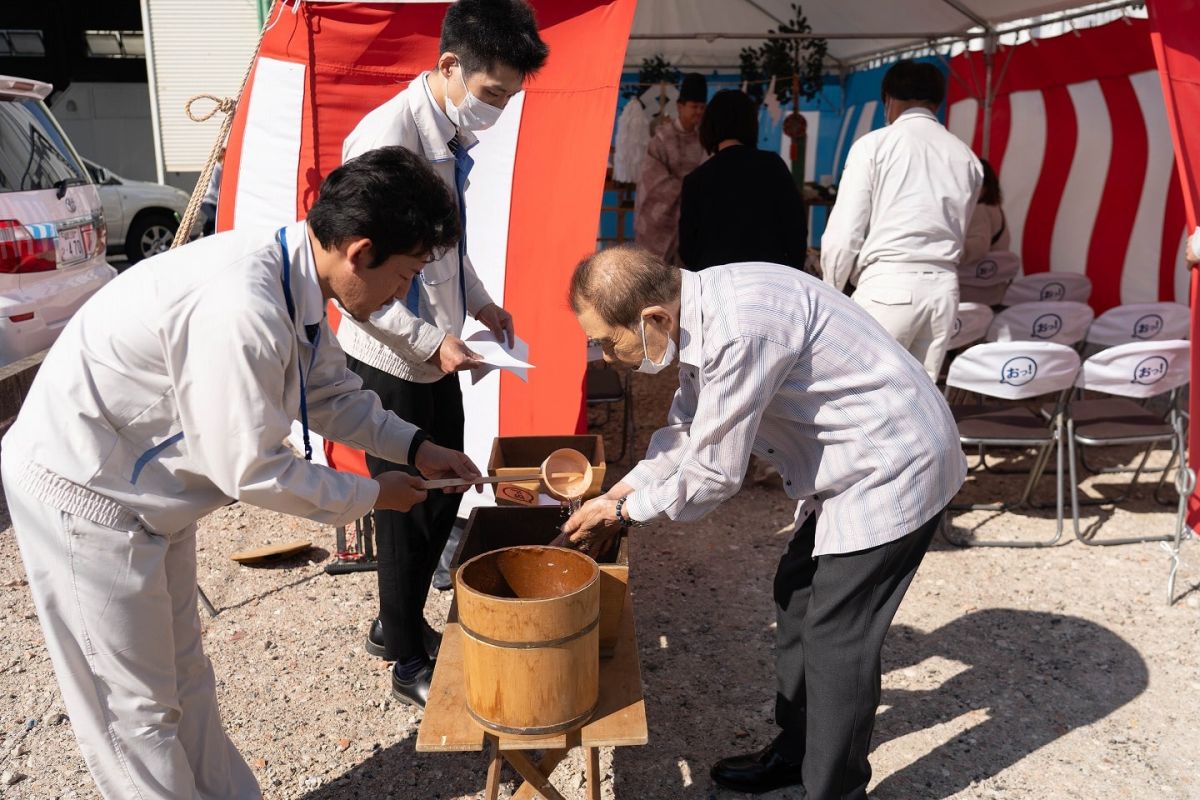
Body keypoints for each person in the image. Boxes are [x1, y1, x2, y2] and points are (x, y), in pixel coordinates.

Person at [0, 146, 484, 800]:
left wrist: (415, 446)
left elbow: (331, 394)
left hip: (148, 494)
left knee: (184, 677)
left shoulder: (294, 276)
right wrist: (375, 494)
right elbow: (254, 471)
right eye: (403, 277)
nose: (403, 295)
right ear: (360, 251)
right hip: (84, 495)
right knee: (133, 714)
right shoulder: (244, 306)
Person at [559, 245, 966, 799]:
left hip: (894, 460)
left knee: (837, 636)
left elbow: (713, 471)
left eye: (608, 340)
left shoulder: (740, 328)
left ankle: (833, 790)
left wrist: (627, 514)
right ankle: (795, 754)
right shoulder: (701, 309)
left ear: (653, 318)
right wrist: (621, 492)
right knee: (796, 592)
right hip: (854, 459)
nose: (607, 356)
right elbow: (685, 433)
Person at [337, 0, 548, 708]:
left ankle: (391, 622)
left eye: (509, 99)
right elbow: (360, 281)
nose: (497, 110)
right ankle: (404, 656)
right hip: (391, 359)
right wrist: (434, 341)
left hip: (436, 353)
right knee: (407, 504)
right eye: (492, 94)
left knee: (438, 488)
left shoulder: (451, 130)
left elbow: (442, 247)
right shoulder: (385, 139)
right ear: (449, 65)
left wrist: (480, 302)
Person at [821, 60, 982, 381]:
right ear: (937, 103)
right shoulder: (967, 157)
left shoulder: (874, 145)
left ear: (888, 100)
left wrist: (830, 291)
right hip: (943, 290)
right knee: (920, 406)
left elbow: (844, 233)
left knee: (862, 397)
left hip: (888, 286)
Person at [679, 89, 808, 271]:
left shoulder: (695, 180)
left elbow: (687, 249)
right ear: (751, 124)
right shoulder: (773, 166)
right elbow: (796, 229)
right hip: (770, 282)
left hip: (716, 286)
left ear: (709, 125)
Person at [635, 72, 707, 264]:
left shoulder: (706, 140)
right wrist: (690, 189)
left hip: (694, 219)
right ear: (679, 106)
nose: (699, 112)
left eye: (702, 107)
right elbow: (653, 180)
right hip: (662, 220)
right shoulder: (661, 139)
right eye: (694, 107)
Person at [961, 158, 1009, 265]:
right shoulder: (993, 208)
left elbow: (978, 246)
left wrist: (948, 252)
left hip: (973, 279)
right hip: (992, 278)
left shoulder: (979, 209)